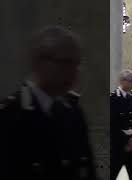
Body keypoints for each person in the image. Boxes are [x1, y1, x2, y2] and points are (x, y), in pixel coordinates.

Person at [0, 26, 96, 179]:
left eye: (76, 64)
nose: (74, 72)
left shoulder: (73, 112)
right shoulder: (11, 114)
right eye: (66, 63)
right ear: (39, 63)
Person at [110, 69, 132, 180]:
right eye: (131, 81)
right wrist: (125, 142)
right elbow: (112, 125)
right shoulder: (113, 98)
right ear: (122, 81)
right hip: (118, 147)